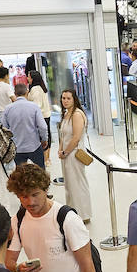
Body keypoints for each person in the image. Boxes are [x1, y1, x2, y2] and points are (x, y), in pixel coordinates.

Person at [56, 88, 93, 222]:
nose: (65, 101)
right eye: (63, 98)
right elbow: (63, 135)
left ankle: (83, 214)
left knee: (77, 184)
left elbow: (76, 137)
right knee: (70, 185)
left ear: (74, 99)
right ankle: (72, 212)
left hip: (74, 155)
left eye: (68, 98)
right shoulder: (66, 114)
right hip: (66, 155)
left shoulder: (77, 114)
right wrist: (61, 149)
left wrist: (65, 152)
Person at [3, 83, 49, 168]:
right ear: (27, 92)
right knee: (41, 172)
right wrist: (44, 139)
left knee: (20, 175)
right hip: (34, 145)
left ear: (15, 93)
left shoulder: (8, 109)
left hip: (17, 147)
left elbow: (5, 128)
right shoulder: (34, 106)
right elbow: (43, 126)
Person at [28, 71, 52, 151]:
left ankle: (46, 158)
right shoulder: (41, 87)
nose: (27, 78)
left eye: (29, 77)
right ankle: (47, 158)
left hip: (41, 116)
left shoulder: (35, 89)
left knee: (43, 138)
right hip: (46, 115)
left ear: (33, 78)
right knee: (47, 134)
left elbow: (36, 105)